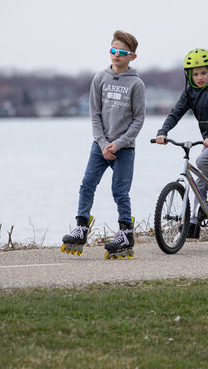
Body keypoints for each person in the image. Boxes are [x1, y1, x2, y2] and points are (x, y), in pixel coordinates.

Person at [62, 30, 146, 259]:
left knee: (120, 191)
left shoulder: (136, 84)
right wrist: (102, 143)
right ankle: (81, 228)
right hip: (100, 147)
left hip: (124, 149)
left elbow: (138, 119)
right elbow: (95, 114)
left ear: (132, 57)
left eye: (122, 52)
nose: (116, 55)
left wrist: (118, 144)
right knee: (87, 185)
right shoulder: (100, 78)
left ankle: (126, 233)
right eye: (113, 50)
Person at [155, 48, 208, 239]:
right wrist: (163, 132)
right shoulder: (190, 93)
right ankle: (193, 220)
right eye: (195, 74)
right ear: (189, 76)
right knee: (200, 180)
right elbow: (175, 113)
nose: (200, 77)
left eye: (203, 73)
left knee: (202, 162)